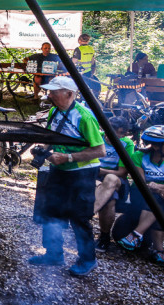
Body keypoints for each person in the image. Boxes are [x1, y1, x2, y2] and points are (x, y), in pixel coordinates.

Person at [28, 76, 106, 276]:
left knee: (79, 217)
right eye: (50, 91)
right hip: (58, 171)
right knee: (51, 212)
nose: (50, 95)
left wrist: (68, 157)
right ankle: (53, 254)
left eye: (55, 92)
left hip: (82, 172)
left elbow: (100, 150)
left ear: (70, 94)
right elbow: (50, 137)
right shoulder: (54, 111)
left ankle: (87, 260)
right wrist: (42, 150)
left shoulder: (84, 116)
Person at [116, 125, 164, 264]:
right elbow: (141, 182)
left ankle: (136, 235)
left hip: (159, 194)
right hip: (141, 193)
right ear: (156, 146)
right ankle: (158, 250)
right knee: (156, 199)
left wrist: (160, 187)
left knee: (160, 200)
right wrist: (159, 189)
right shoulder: (139, 156)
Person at [92, 116, 139, 253]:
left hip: (117, 180)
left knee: (111, 178)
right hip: (96, 178)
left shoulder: (126, 144)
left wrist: (99, 170)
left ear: (123, 133)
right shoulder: (97, 136)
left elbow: (122, 172)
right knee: (110, 200)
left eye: (115, 132)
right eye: (108, 130)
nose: (109, 135)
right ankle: (105, 237)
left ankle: (90, 212)